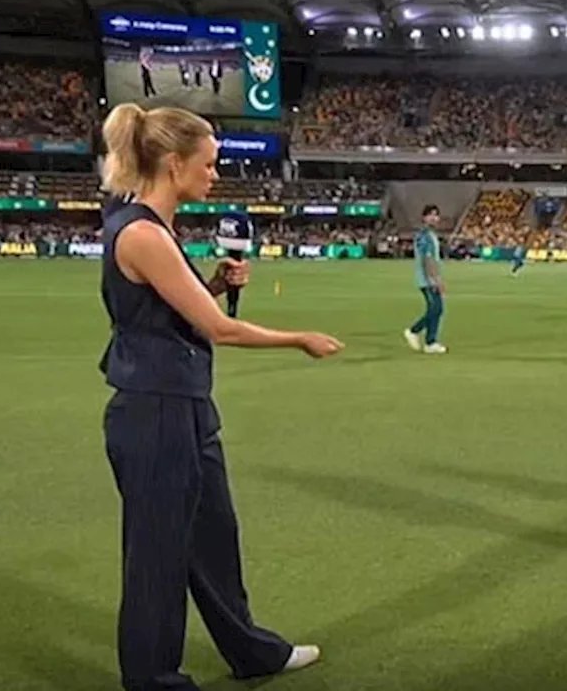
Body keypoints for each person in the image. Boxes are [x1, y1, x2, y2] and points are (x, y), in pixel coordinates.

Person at [97, 102, 344, 691]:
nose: (215, 175)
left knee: (213, 537)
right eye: (208, 165)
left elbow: (165, 313)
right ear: (175, 164)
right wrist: (299, 338)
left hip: (181, 403)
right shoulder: (141, 232)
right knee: (157, 557)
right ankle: (153, 680)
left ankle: (251, 651)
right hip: (154, 410)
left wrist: (211, 284)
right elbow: (219, 329)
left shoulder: (150, 225)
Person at [404, 204, 447, 354]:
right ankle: (414, 331)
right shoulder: (425, 236)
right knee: (436, 309)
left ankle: (431, 342)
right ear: (424, 217)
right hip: (428, 280)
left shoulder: (429, 234)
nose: (434, 218)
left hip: (429, 278)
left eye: (436, 215)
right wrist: (435, 280)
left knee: (436, 309)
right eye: (431, 215)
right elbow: (428, 260)